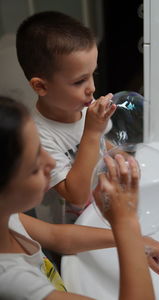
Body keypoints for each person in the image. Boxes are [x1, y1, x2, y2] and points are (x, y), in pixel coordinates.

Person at [0, 96, 159, 299]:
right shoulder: (11, 283)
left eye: (41, 149)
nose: (50, 163)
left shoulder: (8, 217)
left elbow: (55, 236)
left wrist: (134, 241)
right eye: (34, 166)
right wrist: (126, 223)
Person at [16, 11, 116, 224]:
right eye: (79, 81)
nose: (92, 88)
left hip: (101, 210)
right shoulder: (36, 137)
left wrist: (122, 156)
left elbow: (103, 144)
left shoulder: (83, 103)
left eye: (93, 74)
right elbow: (77, 196)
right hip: (71, 232)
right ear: (41, 86)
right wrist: (92, 131)